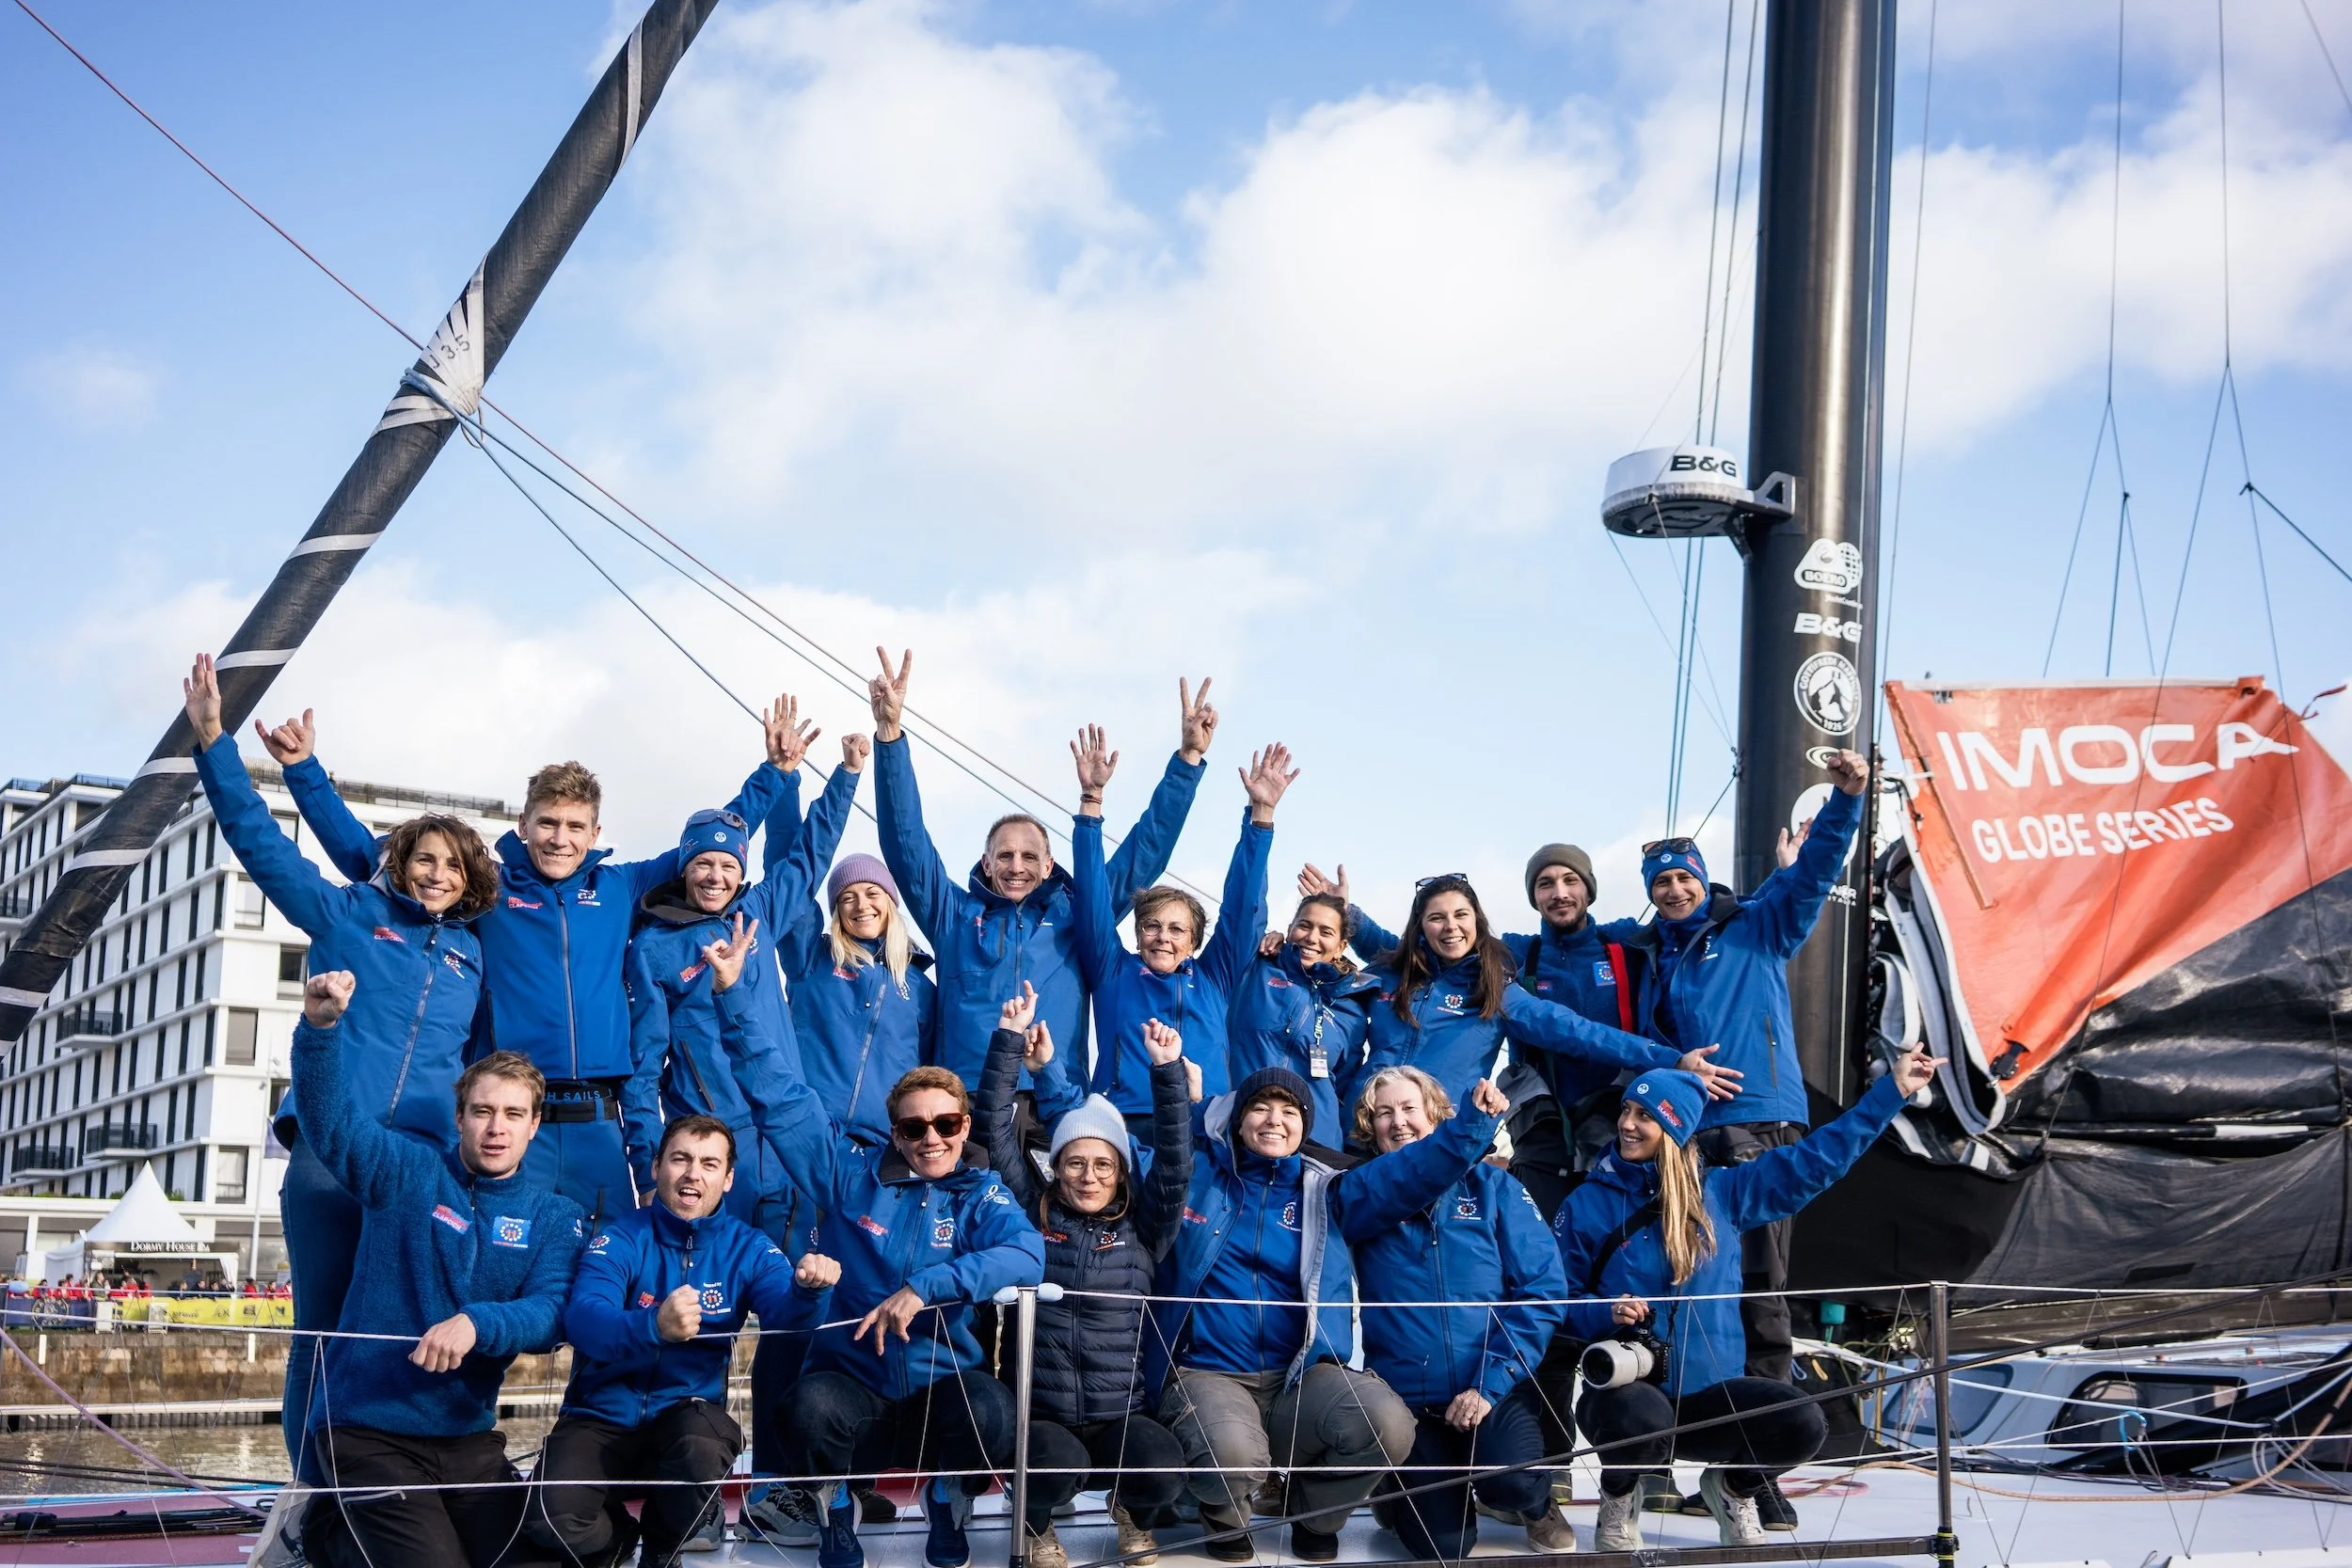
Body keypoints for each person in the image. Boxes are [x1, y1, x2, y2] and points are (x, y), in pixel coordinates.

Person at [262, 695, 809, 1225]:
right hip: (516, 1117)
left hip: (599, 1121)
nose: (559, 839)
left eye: (575, 827)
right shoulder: (488, 889)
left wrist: (775, 774)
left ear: (595, 834)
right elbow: (375, 858)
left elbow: (711, 841)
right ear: (524, 825)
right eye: (547, 823)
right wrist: (305, 772)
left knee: (603, 1275)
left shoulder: (620, 886)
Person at [181, 655, 501, 1477]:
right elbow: (260, 843)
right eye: (423, 858)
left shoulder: (471, 954)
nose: (436, 873)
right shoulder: (347, 911)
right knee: (321, 1329)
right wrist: (216, 743)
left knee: (407, 1328)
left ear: (467, 882)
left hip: (418, 1164)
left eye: (452, 865)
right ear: (397, 863)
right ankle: (307, 1499)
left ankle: (389, 1480)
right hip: (330, 1153)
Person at [1597, 749, 1870, 1531]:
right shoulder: (1660, 953)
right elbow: (1585, 941)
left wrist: (1847, 798)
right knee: (1692, 1288)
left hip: (1759, 1126)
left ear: (1703, 878)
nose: (1675, 890)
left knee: (1763, 1292)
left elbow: (1813, 874)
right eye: (1661, 883)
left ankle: (1753, 1473)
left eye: (1684, 877)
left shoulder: (1753, 924)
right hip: (1691, 1141)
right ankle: (1677, 1451)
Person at [720, 952, 1045, 1568]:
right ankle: (836, 1506)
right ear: (895, 1134)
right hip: (856, 1391)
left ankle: (946, 1498)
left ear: (964, 1124)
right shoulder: (848, 1178)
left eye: (946, 1123)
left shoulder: (982, 1192)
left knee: (995, 1411)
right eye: (915, 1127)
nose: (932, 1138)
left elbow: (1027, 1253)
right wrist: (735, 996)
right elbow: (780, 1098)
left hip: (939, 1391)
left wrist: (926, 1286)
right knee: (805, 1408)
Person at [1559, 1048, 1941, 1549]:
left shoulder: (1726, 1194)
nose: (1626, 1125)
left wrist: (1892, 1092)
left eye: (1645, 1116)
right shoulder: (1587, 1203)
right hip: (1628, 1398)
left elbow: (1817, 1161)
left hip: (1711, 1397)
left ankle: (1733, 1488)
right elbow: (1553, 1299)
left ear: (1675, 1129)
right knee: (1638, 1416)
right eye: (1626, 1110)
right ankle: (1619, 1496)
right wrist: (1602, 1312)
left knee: (1803, 1421)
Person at [289, 970, 585, 1568]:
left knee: (543, 1559)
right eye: (481, 1111)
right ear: (459, 1118)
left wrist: (476, 1324)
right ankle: (326, 1532)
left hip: (467, 1437)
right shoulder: (405, 1174)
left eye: (512, 1113)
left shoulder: (556, 1217)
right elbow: (332, 1125)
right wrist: (319, 1030)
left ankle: (340, 1531)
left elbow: (553, 1310)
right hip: (365, 1429)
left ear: (534, 1124)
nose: (496, 1127)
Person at [1154, 1066, 1506, 1563]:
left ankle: (1313, 1515)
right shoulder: (1200, 1179)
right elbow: (1123, 1155)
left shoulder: (1331, 1192)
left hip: (1301, 1376)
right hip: (1210, 1371)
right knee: (1232, 1454)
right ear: (1237, 1122)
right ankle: (1225, 1517)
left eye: (1289, 1111)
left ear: (1305, 1126)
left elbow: (1410, 1171)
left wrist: (1471, 1124)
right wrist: (1176, 1088)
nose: (1274, 1120)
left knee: (1387, 1423)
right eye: (1260, 1107)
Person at [866, 649, 1215, 1095]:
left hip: (1053, 1096)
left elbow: (1144, 853)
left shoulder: (1078, 913)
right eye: (1005, 856)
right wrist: (890, 735)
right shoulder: (952, 915)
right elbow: (905, 841)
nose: (1017, 867)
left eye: (1030, 857)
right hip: (967, 1098)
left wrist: (1186, 762)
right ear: (987, 863)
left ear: (1049, 865)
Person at [537, 1083, 839, 1568]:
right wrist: (653, 1326)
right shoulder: (619, 1238)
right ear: (657, 1168)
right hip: (600, 1417)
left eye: (709, 1164)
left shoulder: (750, 1248)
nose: (692, 1175)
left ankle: (663, 1550)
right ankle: (618, 1539)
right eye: (679, 1160)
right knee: (549, 1521)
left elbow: (786, 1320)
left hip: (686, 1417)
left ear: (728, 1178)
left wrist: (809, 1290)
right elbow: (584, 1319)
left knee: (704, 1444)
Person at [976, 986, 1194, 1568]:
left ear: (1120, 1172)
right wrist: (1008, 1042)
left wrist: (1168, 1072)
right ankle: (1037, 1525)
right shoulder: (1030, 1215)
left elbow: (1174, 1161)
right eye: (1075, 1162)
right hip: (1044, 1416)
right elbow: (994, 1131)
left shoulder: (1146, 1229)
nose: (1088, 1176)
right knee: (1049, 1471)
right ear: (1057, 1166)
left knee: (1164, 1469)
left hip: (1121, 1413)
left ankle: (1133, 1513)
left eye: (1102, 1165)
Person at [1343, 1066, 1576, 1558]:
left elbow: (1541, 1291)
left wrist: (1489, 1385)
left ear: (1438, 1116)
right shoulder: (1358, 1193)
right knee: (1441, 1547)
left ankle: (1534, 1504)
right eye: (1384, 1113)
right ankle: (1399, 1489)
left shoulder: (1495, 1190)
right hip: (1410, 1403)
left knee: (1511, 1483)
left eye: (1410, 1109)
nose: (1398, 1122)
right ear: (1369, 1126)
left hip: (1490, 1391)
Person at [620, 697, 827, 1231]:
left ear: (741, 873)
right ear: (684, 869)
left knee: (796, 1291)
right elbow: (644, 1070)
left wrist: (841, 775)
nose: (715, 876)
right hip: (711, 1147)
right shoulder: (652, 948)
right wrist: (647, 1169)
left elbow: (807, 862)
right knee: (713, 1296)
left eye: (729, 865)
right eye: (703, 864)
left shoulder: (755, 914)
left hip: (783, 1136)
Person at [1344, 874, 1737, 1118]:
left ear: (1477, 923)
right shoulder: (1389, 974)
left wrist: (1671, 1059)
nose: (1451, 927)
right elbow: (1313, 974)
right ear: (1421, 926)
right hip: (1362, 1129)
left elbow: (1580, 1032)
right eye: (1437, 917)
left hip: (1438, 1137)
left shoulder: (1494, 990)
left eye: (1461, 915)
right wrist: (1338, 920)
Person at [1070, 728, 1290, 1129]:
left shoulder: (1214, 978)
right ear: (1136, 935)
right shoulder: (1112, 971)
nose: (1163, 937)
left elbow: (1243, 911)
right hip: (1127, 1121)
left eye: (1176, 929)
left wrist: (1261, 818)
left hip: (1206, 1120)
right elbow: (1091, 898)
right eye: (1152, 926)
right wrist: (1090, 806)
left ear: (1193, 941)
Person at [772, 735, 937, 1147]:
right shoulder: (812, 959)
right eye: (847, 897)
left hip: (884, 1150)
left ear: (891, 903)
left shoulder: (921, 988)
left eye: (872, 894)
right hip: (808, 1138)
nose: (861, 905)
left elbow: (930, 1078)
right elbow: (788, 873)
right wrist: (789, 779)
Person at [1230, 876, 1381, 1148]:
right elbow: (1243, 908)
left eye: (1326, 932)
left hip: (1316, 1143)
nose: (1312, 937)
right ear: (1289, 930)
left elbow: (1343, 1085)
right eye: (1304, 926)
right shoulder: (1256, 969)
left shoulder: (1353, 1012)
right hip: (1243, 1125)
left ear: (1341, 947)